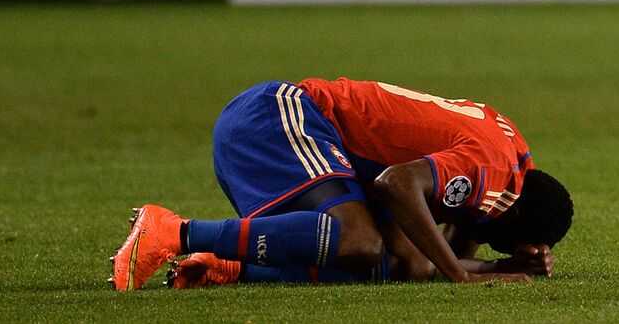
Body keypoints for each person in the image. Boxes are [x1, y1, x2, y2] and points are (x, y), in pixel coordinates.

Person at [110, 78, 572, 291]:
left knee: (407, 263)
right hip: (281, 115)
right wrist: (459, 275)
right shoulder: (492, 173)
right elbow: (396, 183)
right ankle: (173, 232)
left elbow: (434, 261)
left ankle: (229, 267)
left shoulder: (513, 160)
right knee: (358, 242)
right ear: (507, 211)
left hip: (323, 145)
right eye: (513, 238)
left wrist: (506, 268)